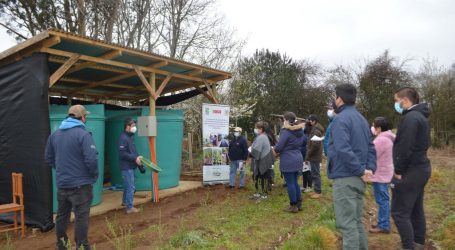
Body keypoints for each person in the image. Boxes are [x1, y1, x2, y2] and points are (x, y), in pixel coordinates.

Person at [327, 84, 377, 249]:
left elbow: (343, 149)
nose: (334, 101)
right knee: (356, 222)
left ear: (339, 99)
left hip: (345, 177)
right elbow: (371, 147)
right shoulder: (362, 119)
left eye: (335, 97)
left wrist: (359, 170)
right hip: (359, 178)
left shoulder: (339, 120)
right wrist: (368, 169)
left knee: (347, 225)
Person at [45, 105, 98, 250]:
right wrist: (94, 176)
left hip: (62, 185)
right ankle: (81, 247)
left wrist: (63, 170)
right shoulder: (83, 135)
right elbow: (91, 160)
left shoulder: (55, 135)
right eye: (85, 116)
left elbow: (48, 158)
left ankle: (62, 245)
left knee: (62, 217)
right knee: (81, 217)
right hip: (81, 186)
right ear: (82, 118)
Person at [391, 87, 431, 250]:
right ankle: (418, 242)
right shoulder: (421, 117)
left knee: (399, 213)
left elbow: (405, 147)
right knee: (415, 208)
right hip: (421, 168)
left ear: (405, 101)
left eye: (396, 100)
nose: (396, 104)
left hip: (410, 170)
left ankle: (409, 247)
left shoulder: (411, 118)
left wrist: (398, 171)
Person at [273, 112, 305, 213]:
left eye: (283, 119)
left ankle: (293, 205)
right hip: (298, 157)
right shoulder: (300, 131)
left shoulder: (286, 131)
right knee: (295, 182)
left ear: (286, 120)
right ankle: (299, 204)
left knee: (290, 183)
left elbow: (279, 147)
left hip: (288, 159)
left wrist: (274, 148)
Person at [369, 117, 395, 234]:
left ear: (379, 128)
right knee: (383, 199)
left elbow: (372, 155)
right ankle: (382, 222)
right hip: (386, 172)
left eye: (374, 126)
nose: (373, 128)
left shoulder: (381, 140)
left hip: (381, 175)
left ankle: (384, 225)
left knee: (382, 200)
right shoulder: (388, 137)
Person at [119, 118, 145, 214]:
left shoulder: (130, 137)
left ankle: (125, 202)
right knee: (131, 187)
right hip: (126, 166)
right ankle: (129, 207)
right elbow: (122, 154)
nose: (135, 127)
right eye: (133, 126)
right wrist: (135, 159)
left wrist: (138, 157)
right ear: (127, 126)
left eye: (135, 125)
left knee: (127, 185)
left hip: (131, 165)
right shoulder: (123, 138)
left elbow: (133, 150)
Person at [250, 121, 274, 200]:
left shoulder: (261, 137)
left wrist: (250, 153)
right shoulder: (263, 136)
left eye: (257, 128)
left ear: (261, 129)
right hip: (264, 159)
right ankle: (259, 193)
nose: (256, 129)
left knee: (263, 177)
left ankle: (263, 194)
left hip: (262, 160)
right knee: (260, 177)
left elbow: (257, 150)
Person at [305, 114, 325, 199]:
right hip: (314, 155)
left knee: (316, 174)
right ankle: (316, 190)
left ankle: (318, 191)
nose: (309, 122)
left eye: (310, 120)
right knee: (314, 173)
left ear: (314, 121)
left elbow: (315, 145)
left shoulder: (316, 131)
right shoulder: (315, 129)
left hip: (315, 156)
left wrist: (308, 155)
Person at [301, 127, 312, 192]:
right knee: (304, 172)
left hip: (306, 157)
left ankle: (309, 186)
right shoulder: (304, 136)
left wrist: (306, 158)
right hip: (303, 157)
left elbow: (307, 148)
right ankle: (304, 186)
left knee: (307, 172)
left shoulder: (305, 137)